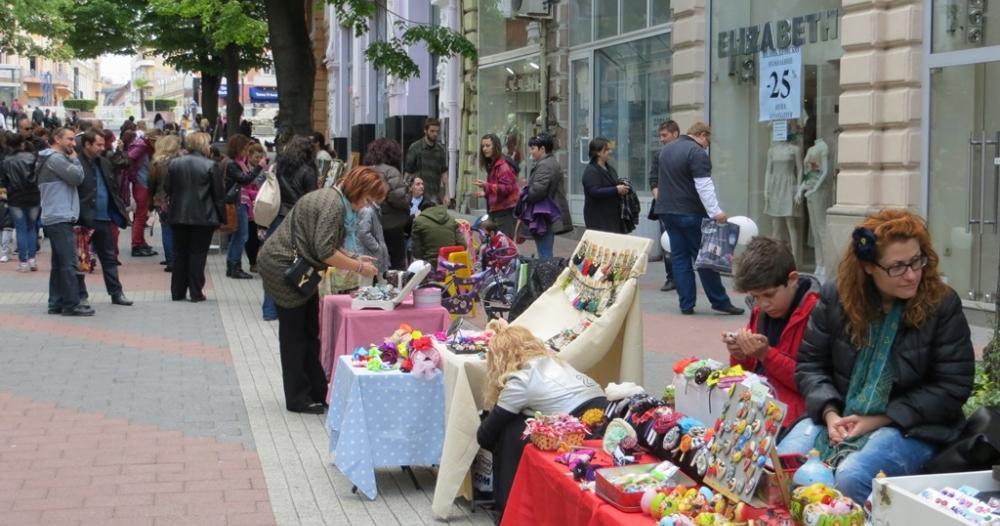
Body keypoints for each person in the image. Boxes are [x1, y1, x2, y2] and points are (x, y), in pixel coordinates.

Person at [777, 209, 975, 504]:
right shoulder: (837, 296)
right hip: (838, 415)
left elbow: (953, 387)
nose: (911, 275)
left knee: (851, 477)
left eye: (916, 261)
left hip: (913, 427)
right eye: (897, 267)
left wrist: (879, 419)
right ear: (868, 267)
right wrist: (830, 413)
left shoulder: (941, 304)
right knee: (786, 465)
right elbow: (811, 366)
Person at [257, 167, 384, 414]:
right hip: (285, 269)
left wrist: (356, 257)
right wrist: (359, 266)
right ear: (358, 191)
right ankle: (298, 397)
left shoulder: (334, 200)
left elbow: (325, 244)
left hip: (296, 268)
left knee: (309, 331)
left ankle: (316, 390)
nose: (366, 206)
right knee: (295, 335)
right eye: (368, 199)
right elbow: (325, 251)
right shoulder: (334, 205)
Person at [477, 319, 606, 518]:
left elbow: (485, 435)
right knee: (517, 424)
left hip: (578, 424)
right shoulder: (556, 362)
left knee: (510, 430)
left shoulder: (521, 379)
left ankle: (507, 504)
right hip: (602, 413)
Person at [725, 237, 817, 426]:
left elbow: (812, 383)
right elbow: (748, 372)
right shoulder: (760, 311)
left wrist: (766, 355)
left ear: (792, 280)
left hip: (797, 415)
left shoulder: (817, 313)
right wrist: (740, 354)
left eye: (769, 294)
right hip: (760, 403)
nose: (763, 304)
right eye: (755, 297)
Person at [655, 122, 743, 316]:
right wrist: (716, 212)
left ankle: (686, 304)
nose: (706, 145)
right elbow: (704, 185)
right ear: (702, 135)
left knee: (679, 258)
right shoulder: (696, 152)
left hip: (667, 212)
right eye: (707, 141)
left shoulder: (667, 150)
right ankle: (719, 301)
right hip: (690, 212)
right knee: (705, 258)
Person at [262, 135, 318, 321]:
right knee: (297, 264)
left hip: (277, 217)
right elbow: (311, 200)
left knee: (274, 264)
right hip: (297, 221)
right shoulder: (308, 170)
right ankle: (294, 305)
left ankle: (269, 309)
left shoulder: (281, 167)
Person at [165, 132, 225, 302]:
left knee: (180, 253)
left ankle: (177, 291)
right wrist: (221, 218)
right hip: (203, 216)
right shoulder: (210, 165)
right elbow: (218, 195)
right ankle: (196, 292)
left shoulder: (174, 163)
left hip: (178, 214)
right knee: (198, 254)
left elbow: (168, 188)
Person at [77, 130, 133, 307]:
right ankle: (81, 295)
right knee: (80, 259)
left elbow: (115, 181)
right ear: (87, 144)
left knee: (109, 257)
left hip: (103, 217)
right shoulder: (76, 163)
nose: (102, 147)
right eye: (98, 145)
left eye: (103, 144)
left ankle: (116, 293)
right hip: (84, 218)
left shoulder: (104, 162)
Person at [38, 128, 90, 316]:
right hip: (59, 216)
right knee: (69, 262)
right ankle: (71, 304)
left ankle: (56, 302)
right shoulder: (56, 159)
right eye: (69, 139)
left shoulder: (49, 159)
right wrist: (75, 159)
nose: (73, 144)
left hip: (55, 215)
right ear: (57, 139)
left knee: (59, 263)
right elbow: (78, 178)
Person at [523, 132, 572, 258]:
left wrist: (524, 191)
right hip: (545, 214)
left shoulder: (545, 165)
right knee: (545, 251)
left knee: (545, 254)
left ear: (542, 149)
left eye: (533, 148)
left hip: (544, 216)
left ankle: (547, 275)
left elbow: (537, 192)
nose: (531, 152)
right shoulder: (549, 163)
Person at [364, 138, 409, 270]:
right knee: (396, 265)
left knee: (373, 263)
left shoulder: (365, 171)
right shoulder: (391, 172)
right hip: (392, 226)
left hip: (369, 226)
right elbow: (400, 200)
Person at [0, 134, 40, 272]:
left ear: (9, 145)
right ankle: (32, 260)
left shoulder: (7, 161)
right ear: (22, 144)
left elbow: (3, 181)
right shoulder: (33, 157)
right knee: (31, 228)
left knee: (20, 229)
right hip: (33, 195)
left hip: (15, 197)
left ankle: (23, 262)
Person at [650, 120, 680, 292]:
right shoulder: (659, 155)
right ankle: (671, 277)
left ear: (675, 134)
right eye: (660, 135)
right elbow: (653, 180)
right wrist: (660, 200)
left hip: (684, 206)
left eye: (664, 135)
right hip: (665, 208)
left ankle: (684, 275)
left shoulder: (687, 152)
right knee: (667, 242)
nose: (661, 139)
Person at [222, 134, 257, 280]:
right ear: (238, 149)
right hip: (238, 202)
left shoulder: (237, 163)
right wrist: (259, 168)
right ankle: (235, 266)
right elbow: (245, 179)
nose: (246, 152)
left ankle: (232, 265)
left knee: (238, 235)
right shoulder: (232, 164)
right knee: (242, 235)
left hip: (240, 201)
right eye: (244, 149)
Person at [123, 129, 161, 257]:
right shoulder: (142, 146)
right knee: (140, 215)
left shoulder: (143, 146)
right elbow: (129, 159)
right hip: (141, 183)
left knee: (142, 215)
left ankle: (141, 242)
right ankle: (136, 244)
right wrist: (133, 176)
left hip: (141, 182)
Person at [148, 134, 182, 272]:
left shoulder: (156, 163)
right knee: (177, 231)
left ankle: (170, 261)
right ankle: (177, 259)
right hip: (178, 200)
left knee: (166, 231)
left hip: (161, 200)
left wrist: (150, 202)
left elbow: (151, 184)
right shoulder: (180, 161)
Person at [582, 137, 629, 233]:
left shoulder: (609, 168)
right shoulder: (591, 171)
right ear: (598, 152)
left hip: (612, 216)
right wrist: (616, 189)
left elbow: (613, 184)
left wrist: (622, 187)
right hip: (598, 218)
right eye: (607, 150)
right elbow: (594, 191)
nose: (610, 151)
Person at [475, 133, 518, 238]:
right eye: (483, 146)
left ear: (495, 146)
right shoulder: (494, 164)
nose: (484, 149)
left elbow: (507, 188)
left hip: (505, 212)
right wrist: (486, 193)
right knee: (497, 245)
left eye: (488, 146)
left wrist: (487, 186)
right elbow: (498, 187)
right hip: (497, 211)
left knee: (504, 246)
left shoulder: (502, 165)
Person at [405, 117, 449, 207]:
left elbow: (444, 174)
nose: (435, 134)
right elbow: (408, 173)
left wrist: (447, 194)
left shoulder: (440, 150)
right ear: (425, 130)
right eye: (432, 131)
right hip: (417, 196)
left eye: (437, 131)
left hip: (434, 196)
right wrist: (406, 193)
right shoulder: (415, 148)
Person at [410, 200, 465, 264]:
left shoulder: (418, 221)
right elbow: (463, 244)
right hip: (453, 263)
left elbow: (417, 252)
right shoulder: (452, 219)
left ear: (422, 211)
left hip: (431, 264)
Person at [243, 142, 268, 273]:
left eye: (260, 157)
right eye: (256, 157)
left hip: (262, 205)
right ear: (250, 155)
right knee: (251, 235)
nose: (258, 160)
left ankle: (260, 260)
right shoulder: (246, 169)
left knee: (262, 235)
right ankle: (253, 262)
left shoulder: (265, 169)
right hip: (250, 206)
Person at [357, 204, 390, 276]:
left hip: (375, 253)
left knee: (382, 281)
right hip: (370, 254)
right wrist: (377, 247)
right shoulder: (367, 210)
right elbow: (363, 233)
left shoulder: (375, 209)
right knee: (366, 283)